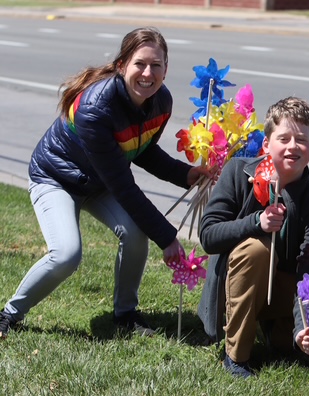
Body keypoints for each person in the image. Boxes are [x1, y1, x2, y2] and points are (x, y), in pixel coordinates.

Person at [0, 27, 212, 339]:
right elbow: (123, 185)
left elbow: (140, 149)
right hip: (57, 178)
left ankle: (125, 314)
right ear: (121, 65)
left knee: (136, 233)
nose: (147, 73)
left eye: (156, 65)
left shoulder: (160, 101)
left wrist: (185, 174)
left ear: (166, 69)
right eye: (140, 63)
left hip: (99, 181)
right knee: (66, 254)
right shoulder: (95, 109)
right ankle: (9, 313)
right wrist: (168, 237)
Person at [197, 96, 309, 378]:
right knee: (255, 249)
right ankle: (237, 355)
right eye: (283, 138)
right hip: (237, 283)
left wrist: (304, 326)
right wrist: (255, 222)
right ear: (266, 144)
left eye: (301, 140)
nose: (292, 146)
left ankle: (282, 336)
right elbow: (209, 235)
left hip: (282, 287)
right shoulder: (237, 172)